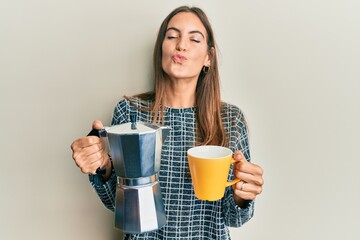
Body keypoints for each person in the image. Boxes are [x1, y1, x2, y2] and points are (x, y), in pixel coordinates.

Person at [71, 5, 264, 240]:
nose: (181, 45)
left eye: (194, 39)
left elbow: (234, 218)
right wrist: (102, 165)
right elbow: (118, 205)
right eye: (172, 36)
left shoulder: (230, 120)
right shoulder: (130, 113)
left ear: (208, 58)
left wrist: (243, 194)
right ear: (161, 48)